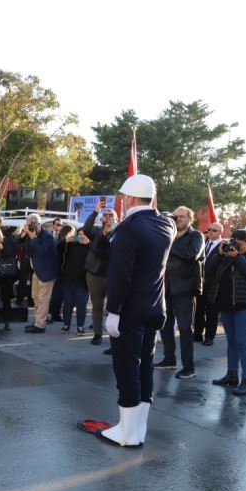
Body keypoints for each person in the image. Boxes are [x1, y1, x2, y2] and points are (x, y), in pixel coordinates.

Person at [98, 174, 175, 447]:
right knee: (145, 367)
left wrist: (114, 310)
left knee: (126, 366)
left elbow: (121, 274)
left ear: (129, 198)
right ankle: (138, 428)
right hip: (156, 307)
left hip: (130, 309)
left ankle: (127, 433)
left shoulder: (129, 228)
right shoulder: (167, 223)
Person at [154, 206, 204, 379]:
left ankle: (188, 367)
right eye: (175, 216)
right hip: (165, 287)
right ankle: (169, 359)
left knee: (184, 328)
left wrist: (170, 241)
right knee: (165, 325)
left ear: (190, 218)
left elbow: (192, 254)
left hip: (185, 288)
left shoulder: (196, 236)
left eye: (181, 216)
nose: (178, 219)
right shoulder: (167, 233)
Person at [206, 230, 246, 395]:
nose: (236, 247)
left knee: (242, 342)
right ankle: (231, 375)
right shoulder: (225, 257)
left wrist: (237, 256)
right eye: (234, 243)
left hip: (245, 305)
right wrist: (219, 254)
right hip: (225, 305)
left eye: (240, 244)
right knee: (231, 341)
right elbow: (209, 271)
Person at [82, 202, 117, 346]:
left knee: (114, 307)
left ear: (116, 218)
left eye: (111, 215)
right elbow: (85, 229)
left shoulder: (119, 231)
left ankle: (114, 336)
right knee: (97, 305)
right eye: (105, 215)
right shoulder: (96, 231)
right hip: (95, 274)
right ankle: (97, 334)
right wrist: (95, 212)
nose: (108, 217)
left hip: (113, 275)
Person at [22, 213, 57, 333]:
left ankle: (40, 325)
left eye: (32, 224)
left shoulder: (47, 236)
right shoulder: (30, 235)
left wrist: (33, 238)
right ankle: (38, 321)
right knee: (35, 298)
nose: (31, 226)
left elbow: (42, 251)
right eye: (28, 224)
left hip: (46, 273)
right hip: (36, 271)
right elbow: (27, 251)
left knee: (43, 300)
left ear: (39, 224)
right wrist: (25, 235)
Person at [56, 226, 91, 335]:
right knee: (67, 304)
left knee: (81, 305)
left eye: (83, 234)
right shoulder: (70, 244)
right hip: (67, 279)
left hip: (83, 281)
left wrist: (89, 244)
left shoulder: (90, 247)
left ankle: (80, 327)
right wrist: (66, 240)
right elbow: (58, 248)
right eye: (79, 234)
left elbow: (98, 253)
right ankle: (66, 325)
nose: (81, 236)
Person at [194, 222, 223, 346]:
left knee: (212, 311)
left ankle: (209, 337)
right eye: (209, 229)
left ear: (220, 232)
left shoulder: (223, 246)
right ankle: (197, 335)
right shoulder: (204, 243)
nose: (210, 232)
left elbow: (221, 266)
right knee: (198, 310)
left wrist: (208, 278)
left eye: (214, 230)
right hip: (200, 283)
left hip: (214, 285)